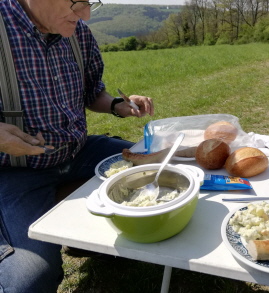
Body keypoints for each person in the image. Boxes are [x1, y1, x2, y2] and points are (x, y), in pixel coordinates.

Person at [0, 0, 154, 292]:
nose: (85, 15)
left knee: (154, 163)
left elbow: (93, 92)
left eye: (90, 3)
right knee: (28, 280)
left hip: (79, 152)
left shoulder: (77, 31)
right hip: (15, 172)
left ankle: (81, 234)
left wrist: (117, 105)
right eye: (77, 3)